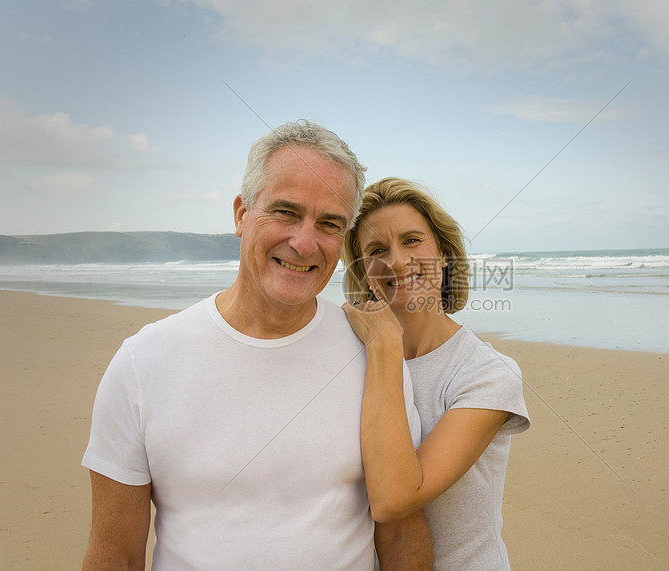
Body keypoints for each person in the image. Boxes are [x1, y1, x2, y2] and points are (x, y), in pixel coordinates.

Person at [81, 123, 432, 570]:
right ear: (241, 215)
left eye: (329, 224)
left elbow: (401, 531)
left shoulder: (374, 355)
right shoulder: (143, 363)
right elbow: (115, 556)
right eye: (285, 212)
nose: (304, 243)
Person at [341, 177, 530, 569]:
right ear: (362, 270)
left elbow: (396, 497)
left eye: (412, 240)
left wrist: (383, 346)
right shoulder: (343, 360)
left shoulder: (487, 374)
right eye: (377, 249)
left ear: (443, 254)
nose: (396, 260)